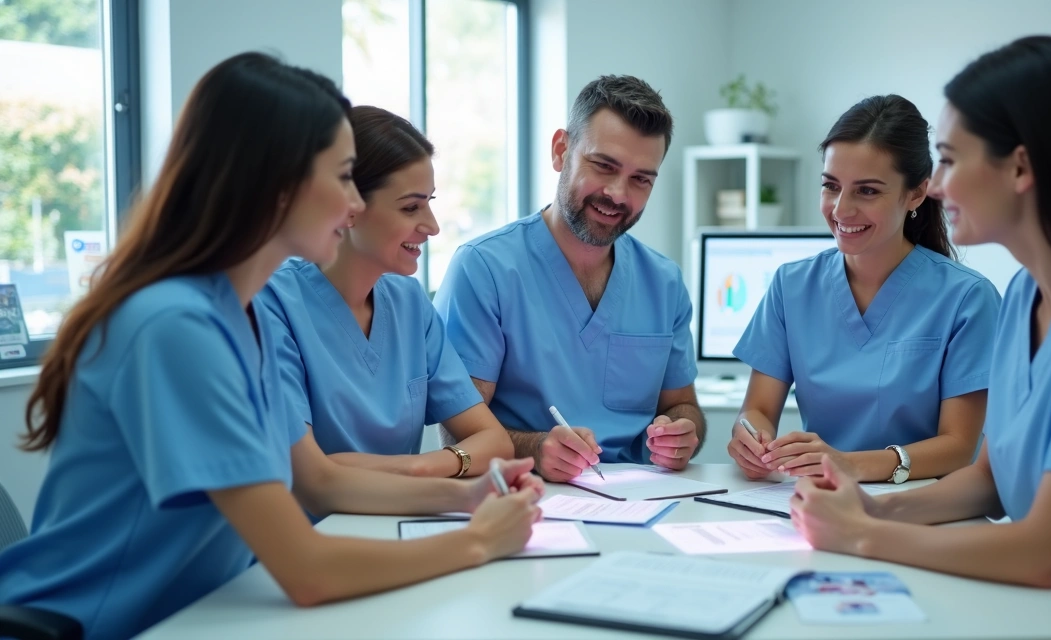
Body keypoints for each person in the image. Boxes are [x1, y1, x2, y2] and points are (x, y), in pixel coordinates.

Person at [0, 53, 541, 640]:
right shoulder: (175, 328)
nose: (356, 204)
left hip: (206, 613)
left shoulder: (242, 315)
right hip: (92, 627)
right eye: (341, 178)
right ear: (276, 186)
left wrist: (465, 500)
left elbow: (321, 480)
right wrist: (480, 540)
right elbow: (306, 569)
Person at [789, 36, 1051, 640]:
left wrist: (863, 535)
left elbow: (1043, 552)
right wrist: (873, 506)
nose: (934, 185)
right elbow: (990, 480)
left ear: (1020, 167)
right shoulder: (1024, 296)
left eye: (950, 159)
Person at [433, 75, 704, 482]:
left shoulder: (663, 282)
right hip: (528, 496)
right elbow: (456, 430)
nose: (617, 193)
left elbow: (682, 404)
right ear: (561, 150)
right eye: (603, 166)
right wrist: (536, 450)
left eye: (640, 179)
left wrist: (686, 432)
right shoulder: (485, 269)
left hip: (642, 499)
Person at [728, 95, 999, 483]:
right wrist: (751, 438)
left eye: (867, 191)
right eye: (831, 186)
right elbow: (756, 409)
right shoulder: (791, 286)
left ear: (917, 194)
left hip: (923, 509)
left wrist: (849, 464)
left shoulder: (968, 300)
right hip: (816, 501)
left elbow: (958, 446)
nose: (840, 210)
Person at [259, 105, 513, 480]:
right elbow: (305, 470)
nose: (432, 226)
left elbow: (494, 442)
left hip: (403, 517)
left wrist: (422, 464)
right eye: (411, 207)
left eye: (430, 203)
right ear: (349, 208)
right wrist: (446, 467)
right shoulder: (272, 304)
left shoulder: (410, 303)